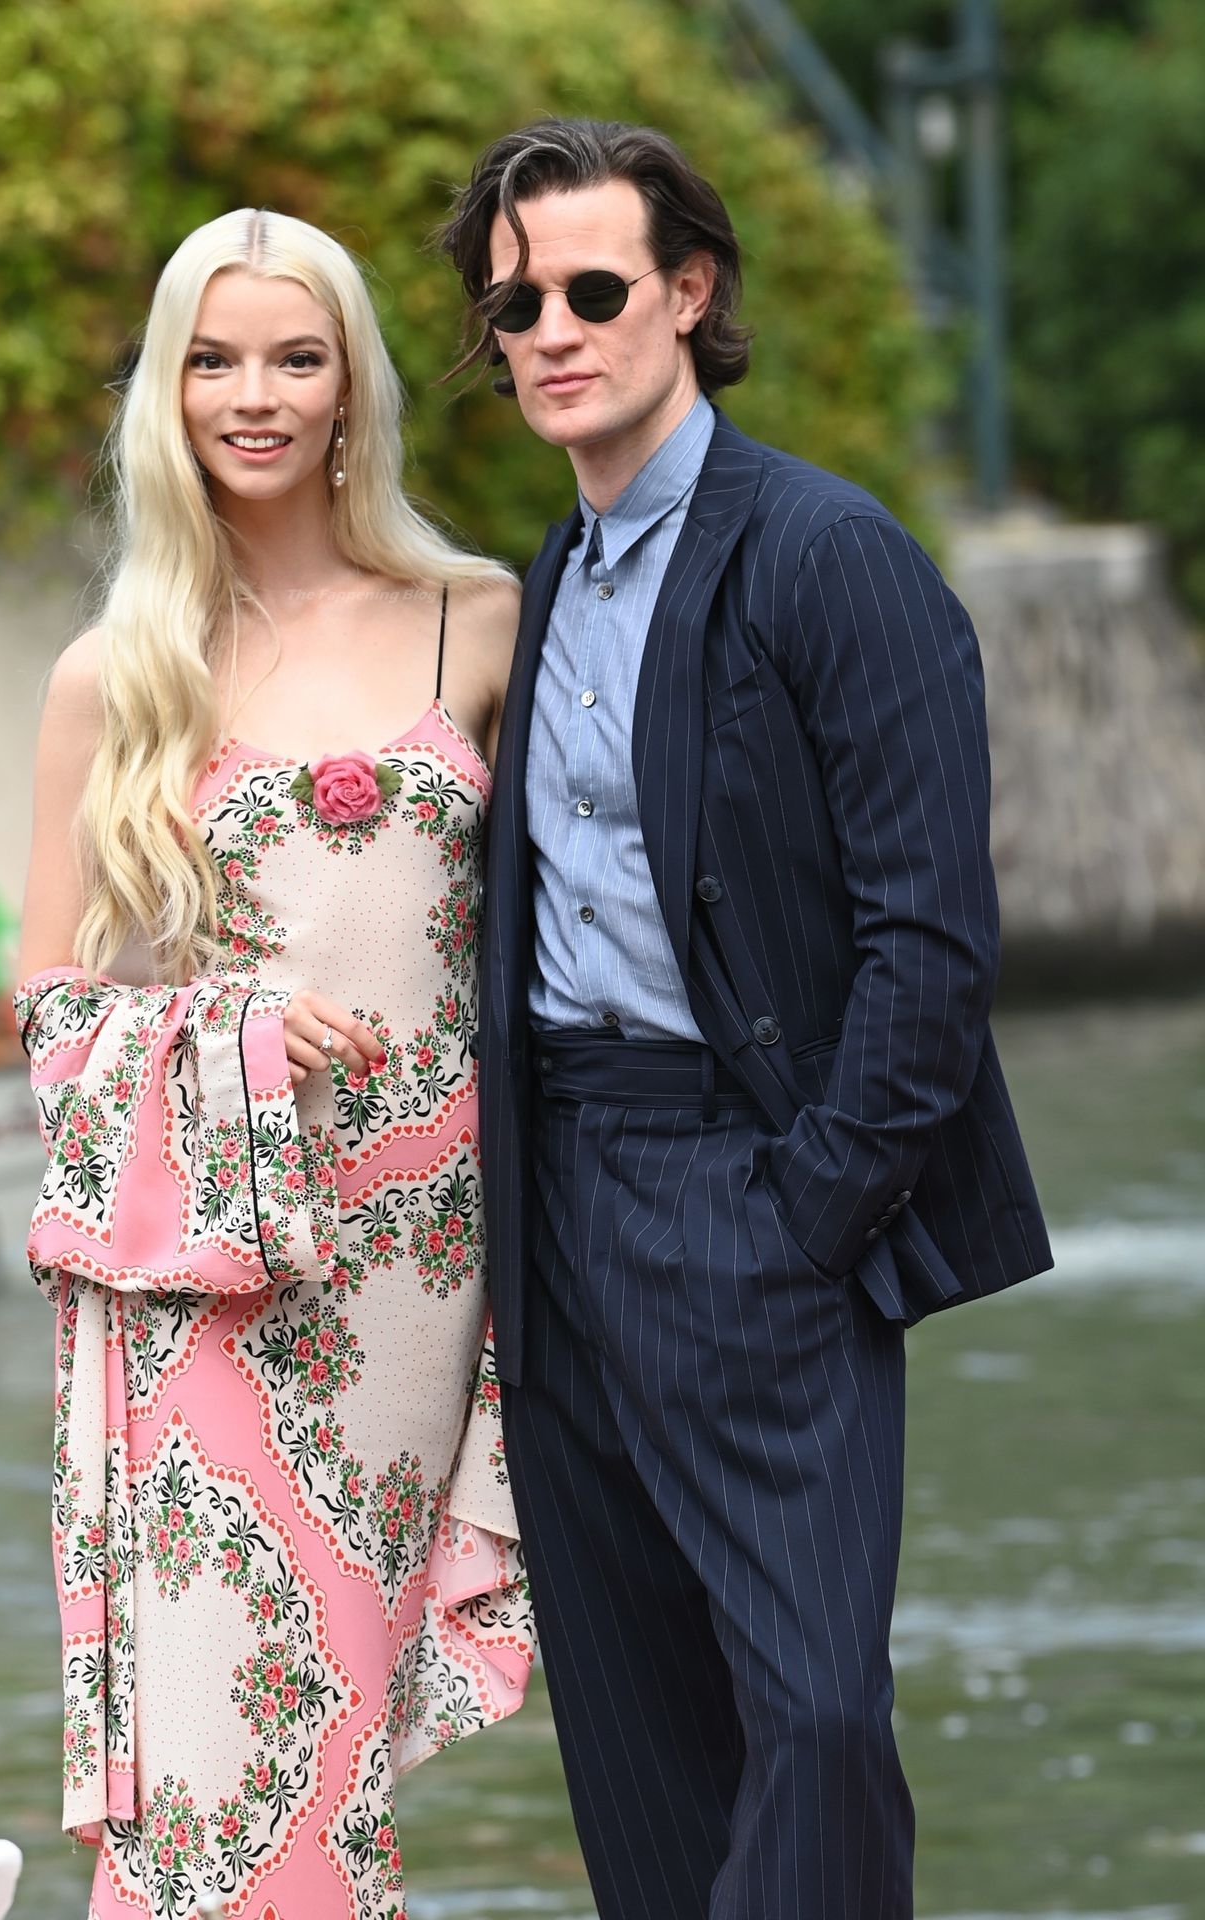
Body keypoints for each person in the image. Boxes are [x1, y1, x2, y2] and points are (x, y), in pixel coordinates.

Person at [439, 119, 1052, 1919]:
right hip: (555, 1206)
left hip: (752, 1195)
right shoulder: (542, 583)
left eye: (596, 288)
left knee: (815, 1722)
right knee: (639, 1745)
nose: (554, 329)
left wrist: (805, 1219)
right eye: (515, 304)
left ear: (690, 295)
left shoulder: (832, 556)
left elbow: (933, 944)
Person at [16, 207, 533, 1920]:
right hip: (214, 1275)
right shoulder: (116, 675)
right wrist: (218, 1031)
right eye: (213, 360)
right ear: (167, 391)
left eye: (293, 357)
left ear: (349, 387)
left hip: (415, 1275)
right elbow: (47, 1007)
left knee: (332, 1738)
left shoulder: (477, 619)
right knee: (217, 1742)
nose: (255, 396)